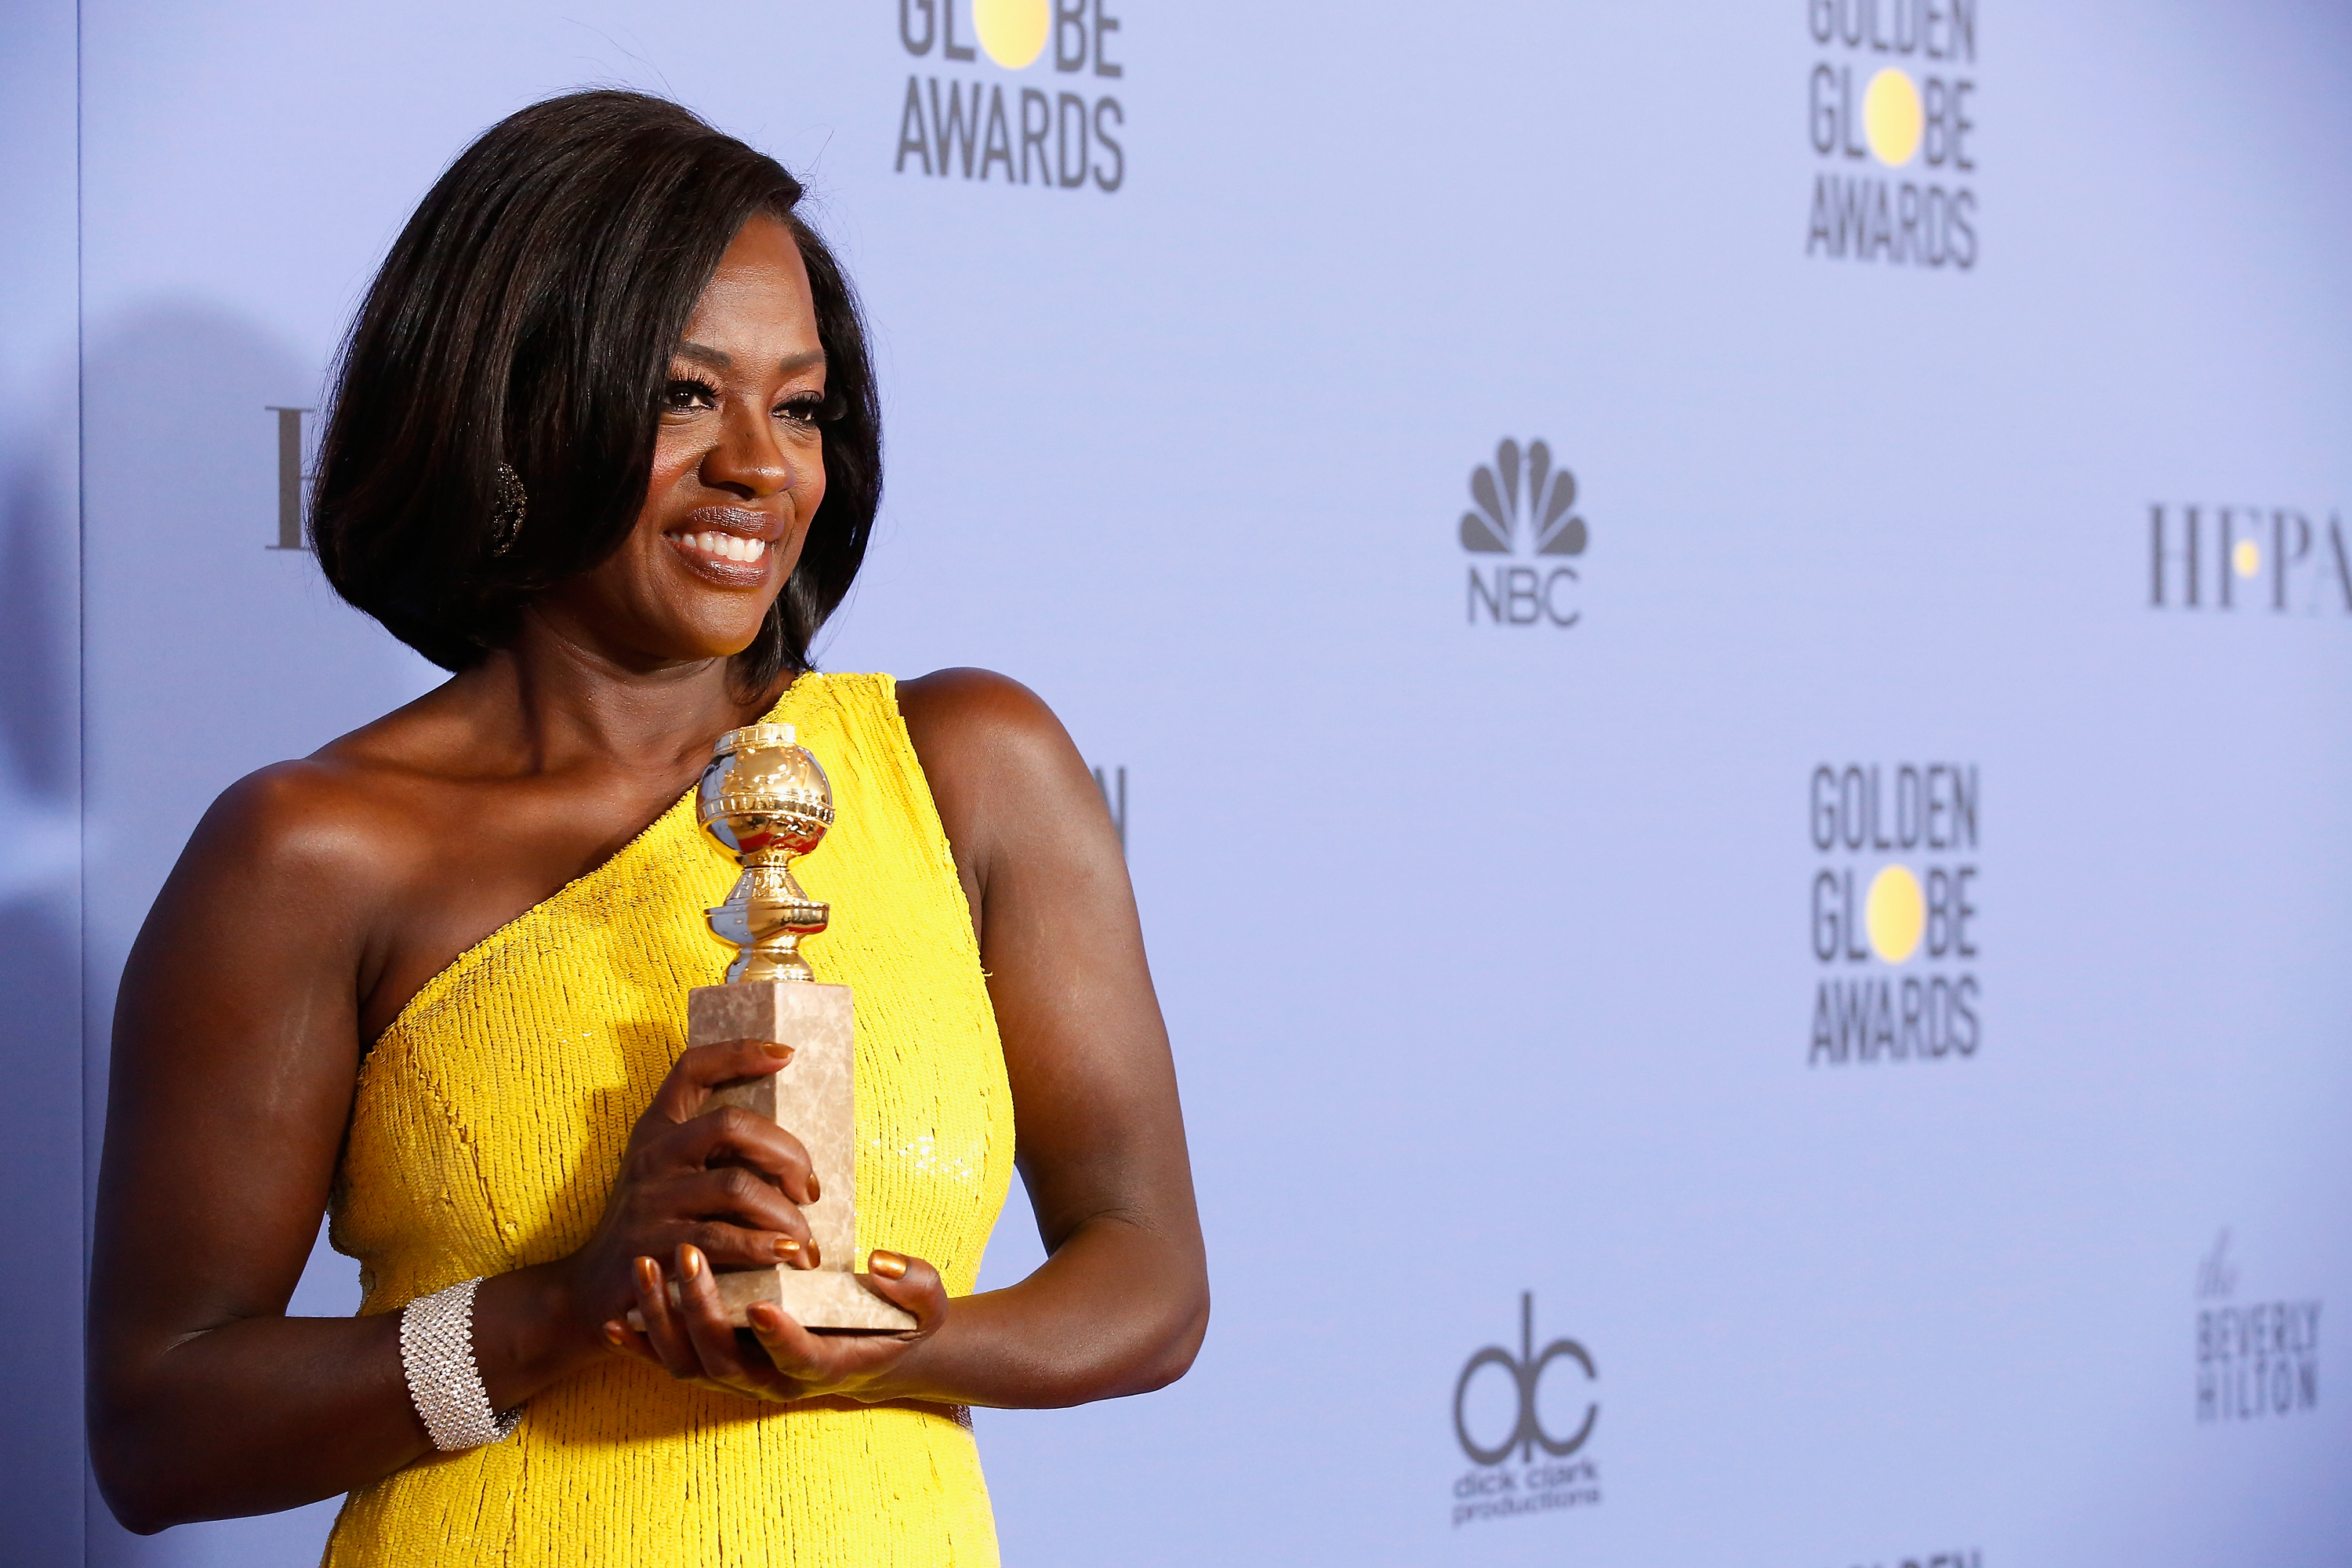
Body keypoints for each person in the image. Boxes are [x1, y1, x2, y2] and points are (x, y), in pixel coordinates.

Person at [86, 90, 1208, 1567]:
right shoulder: (312, 853)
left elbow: (1151, 1277)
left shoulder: (968, 769)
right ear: (513, 409)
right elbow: (158, 1430)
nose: (759, 465)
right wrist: (565, 1308)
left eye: (797, 407)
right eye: (685, 395)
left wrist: (889, 1346)